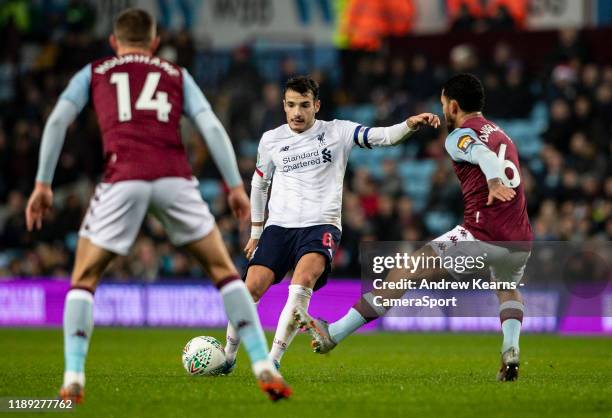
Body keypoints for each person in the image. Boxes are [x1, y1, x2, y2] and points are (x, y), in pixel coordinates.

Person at [25, 8, 290, 402]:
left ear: (114, 43)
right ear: (154, 43)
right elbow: (211, 125)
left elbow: (57, 121)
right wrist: (235, 185)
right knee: (224, 272)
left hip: (123, 176)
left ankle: (73, 376)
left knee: (84, 278)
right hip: (175, 178)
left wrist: (43, 183)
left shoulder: (96, 72)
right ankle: (262, 365)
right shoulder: (175, 74)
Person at [295, 73, 533, 382]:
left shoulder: (457, 136)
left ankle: (334, 334)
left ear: (454, 106)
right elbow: (491, 152)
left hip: (481, 233)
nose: (443, 109)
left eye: (444, 104)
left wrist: (494, 180)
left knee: (405, 271)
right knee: (506, 287)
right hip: (520, 241)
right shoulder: (503, 134)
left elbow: (482, 155)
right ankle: (511, 348)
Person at [223, 75, 440, 372]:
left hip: (320, 226)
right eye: (290, 105)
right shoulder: (271, 140)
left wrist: (409, 125)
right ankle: (228, 356)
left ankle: (272, 361)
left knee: (302, 284)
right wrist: (256, 232)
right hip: (279, 227)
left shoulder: (338, 131)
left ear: (317, 106)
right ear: (284, 106)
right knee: (251, 289)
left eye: (304, 105)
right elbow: (260, 186)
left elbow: (384, 136)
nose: (297, 112)